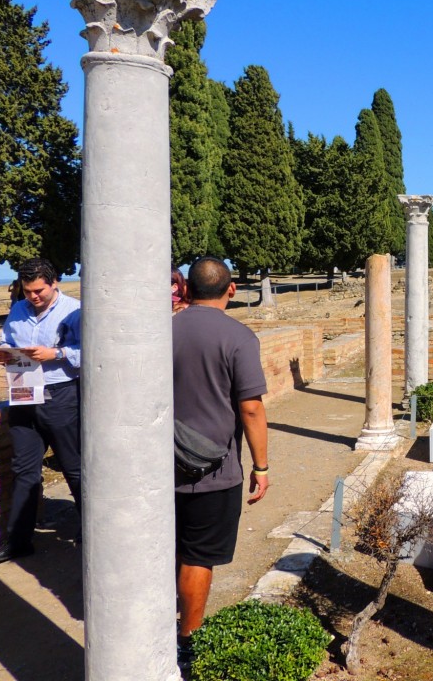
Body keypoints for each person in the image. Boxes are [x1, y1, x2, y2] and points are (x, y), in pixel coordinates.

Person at [173, 256, 269, 667]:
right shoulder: (239, 337)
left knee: (166, 550)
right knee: (197, 556)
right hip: (212, 471)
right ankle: (188, 640)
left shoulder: (160, 329)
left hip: (154, 464)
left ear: (188, 290)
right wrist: (261, 467)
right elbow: (250, 409)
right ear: (231, 290)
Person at [0, 258, 81, 565]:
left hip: (61, 395)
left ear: (54, 283)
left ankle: (94, 532)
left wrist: (57, 353)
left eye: (38, 290)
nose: (33, 297)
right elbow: (7, 339)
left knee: (74, 468)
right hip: (24, 395)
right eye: (27, 291)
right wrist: (2, 351)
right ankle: (19, 542)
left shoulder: (74, 311)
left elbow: (92, 350)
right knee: (24, 471)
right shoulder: (17, 309)